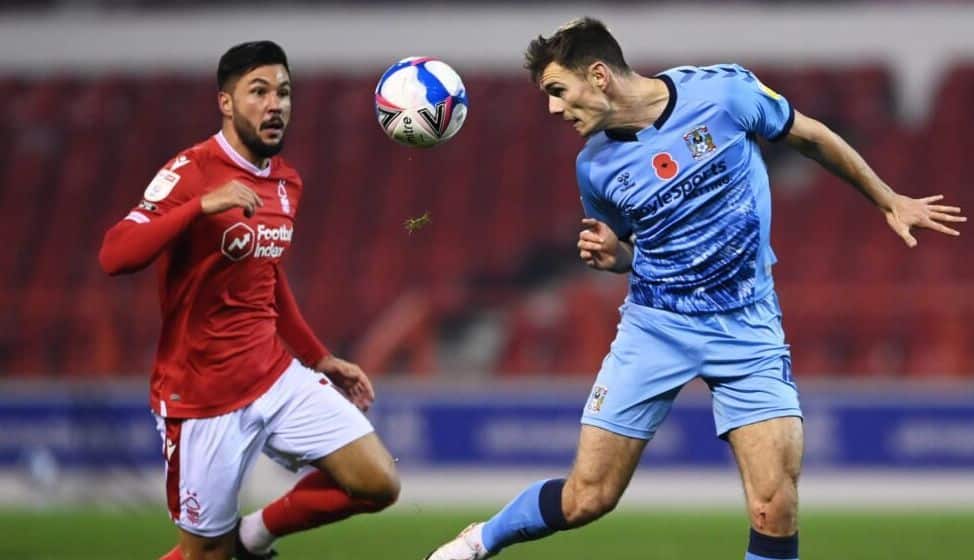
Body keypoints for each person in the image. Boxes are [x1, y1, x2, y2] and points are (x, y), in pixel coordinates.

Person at [425, 17, 965, 560]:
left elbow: (811, 136)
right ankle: (480, 540)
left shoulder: (723, 93)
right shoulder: (594, 167)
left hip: (747, 323)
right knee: (588, 498)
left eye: (558, 91)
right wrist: (618, 258)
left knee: (774, 508)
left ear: (599, 75)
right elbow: (637, 250)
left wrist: (888, 198)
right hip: (656, 326)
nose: (553, 109)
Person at [98, 41, 400, 560]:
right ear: (226, 102)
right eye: (258, 92)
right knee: (201, 555)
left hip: (275, 377)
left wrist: (318, 357)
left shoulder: (286, 182)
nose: (275, 104)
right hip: (202, 397)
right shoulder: (192, 171)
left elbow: (269, 277)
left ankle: (251, 537)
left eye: (283, 92)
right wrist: (199, 207)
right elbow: (114, 255)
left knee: (378, 481)